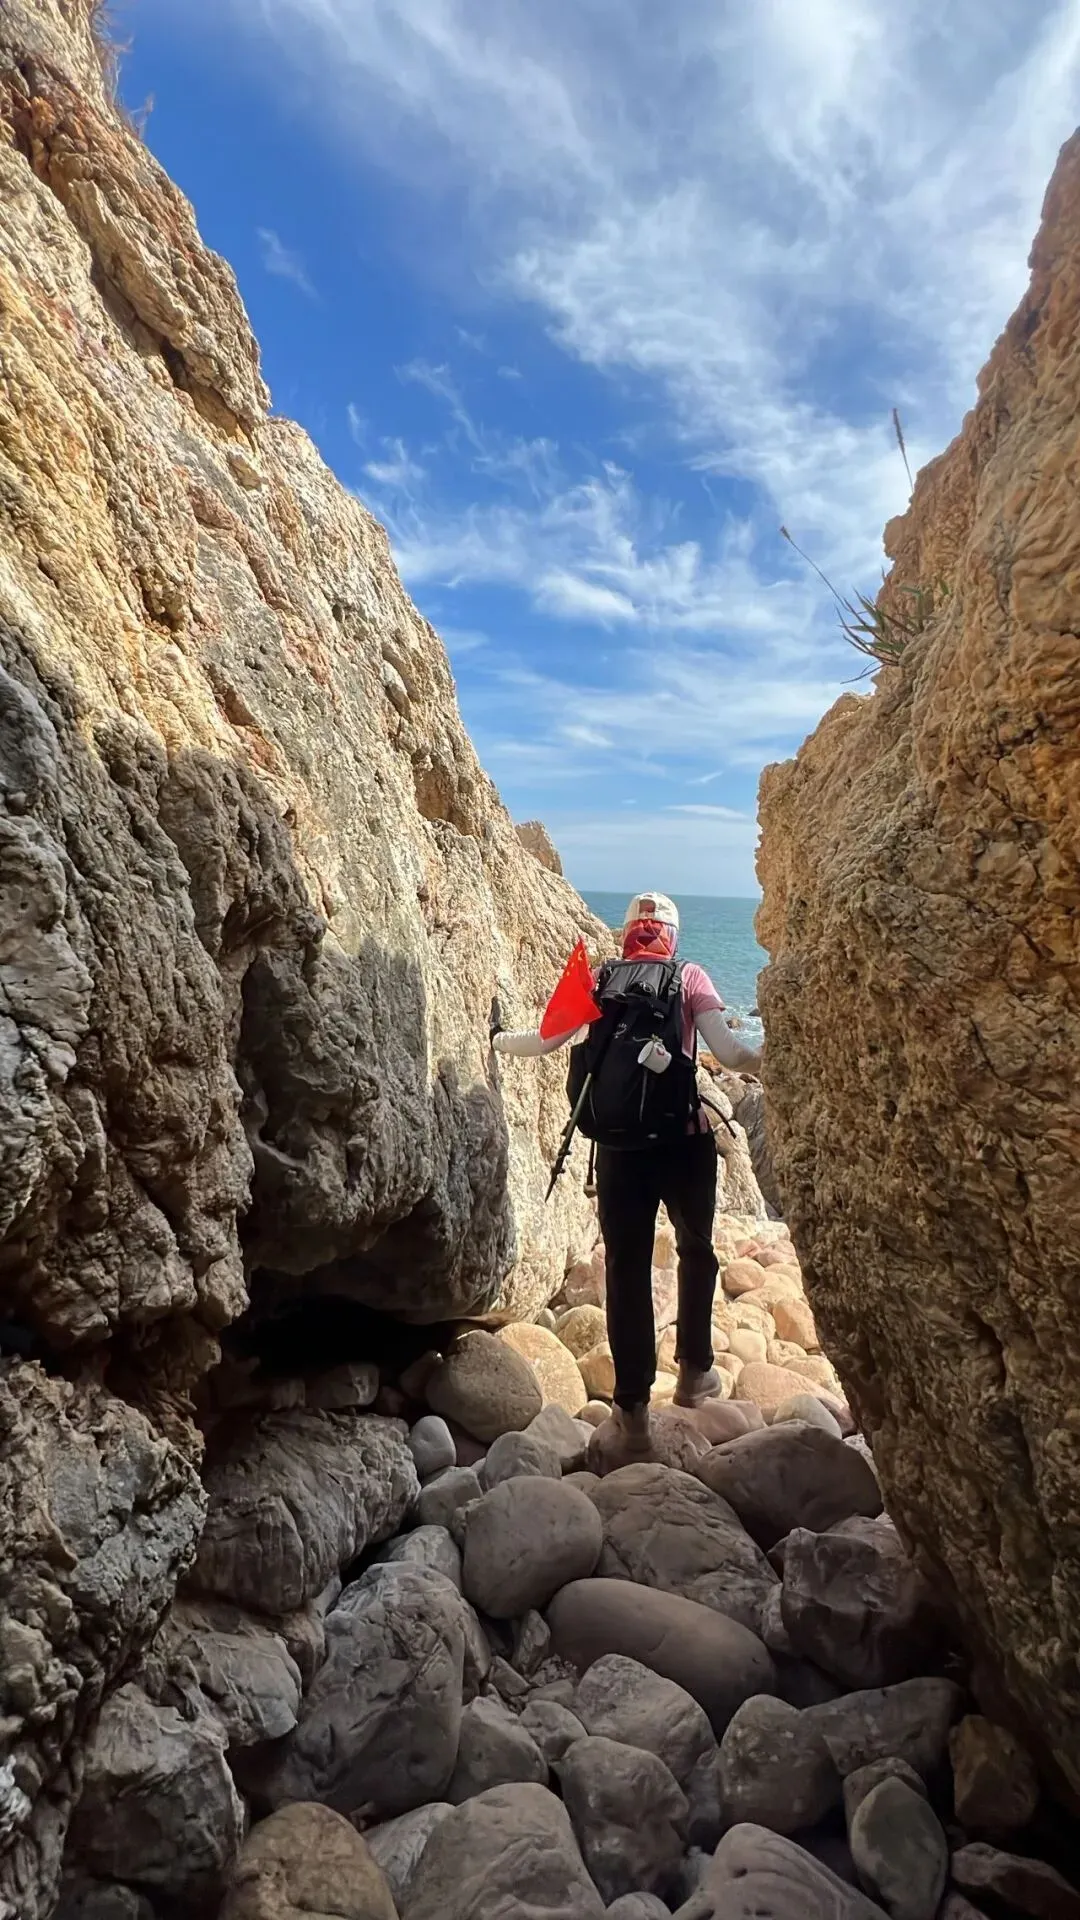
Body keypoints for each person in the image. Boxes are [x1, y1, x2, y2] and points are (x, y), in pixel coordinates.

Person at [490, 891, 762, 1453]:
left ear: (627, 932)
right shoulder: (690, 977)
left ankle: (632, 1411)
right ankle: (694, 1375)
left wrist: (496, 1040)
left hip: (618, 1149)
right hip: (683, 1143)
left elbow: (546, 1041)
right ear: (673, 936)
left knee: (627, 1269)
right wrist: (788, 1053)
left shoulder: (600, 980)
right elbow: (732, 1054)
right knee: (697, 1250)